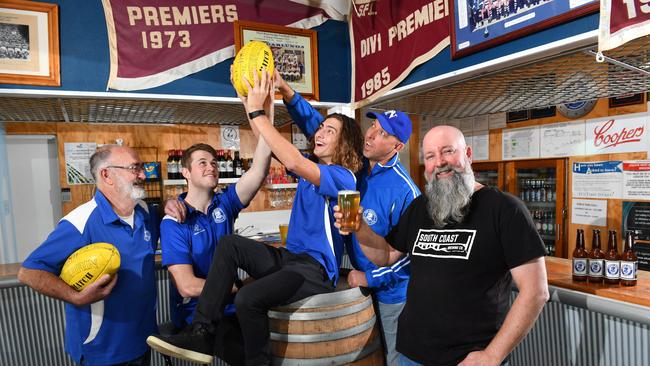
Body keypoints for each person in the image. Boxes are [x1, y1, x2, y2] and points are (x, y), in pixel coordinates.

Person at [147, 71, 364, 365]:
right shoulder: (312, 166)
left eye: (330, 131)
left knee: (249, 299)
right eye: (321, 127)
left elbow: (291, 159)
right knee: (230, 245)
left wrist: (257, 110)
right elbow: (267, 143)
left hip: (315, 271)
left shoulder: (342, 177)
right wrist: (258, 104)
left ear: (345, 143)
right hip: (290, 257)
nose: (320, 133)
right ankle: (201, 333)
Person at [335, 125, 550, 366]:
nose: (440, 162)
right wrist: (360, 228)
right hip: (410, 354)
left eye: (448, 151)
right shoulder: (420, 207)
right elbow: (385, 255)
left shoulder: (505, 209)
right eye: (430, 156)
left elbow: (536, 291)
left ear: (468, 154)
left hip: (468, 359)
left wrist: (492, 355)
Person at [275, 71, 419, 365]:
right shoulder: (356, 165)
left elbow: (410, 256)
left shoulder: (407, 192)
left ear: (397, 147)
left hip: (393, 294)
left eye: (383, 133)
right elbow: (318, 127)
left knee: (396, 359)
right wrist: (286, 92)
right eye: (373, 126)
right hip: (359, 289)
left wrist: (370, 276)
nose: (371, 135)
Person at [18, 145, 160, 365]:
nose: (143, 174)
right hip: (102, 352)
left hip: (143, 340)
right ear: (106, 175)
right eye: (135, 168)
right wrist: (75, 297)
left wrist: (172, 204)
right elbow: (28, 272)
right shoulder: (80, 222)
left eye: (141, 168)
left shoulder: (145, 211)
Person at [159, 108, 272, 364]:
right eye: (202, 163)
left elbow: (258, 171)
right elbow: (187, 286)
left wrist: (264, 114)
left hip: (235, 306)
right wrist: (239, 286)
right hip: (197, 316)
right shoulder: (174, 221)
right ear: (185, 172)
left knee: (271, 348)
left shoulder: (224, 204)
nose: (211, 167)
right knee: (250, 357)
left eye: (213, 163)